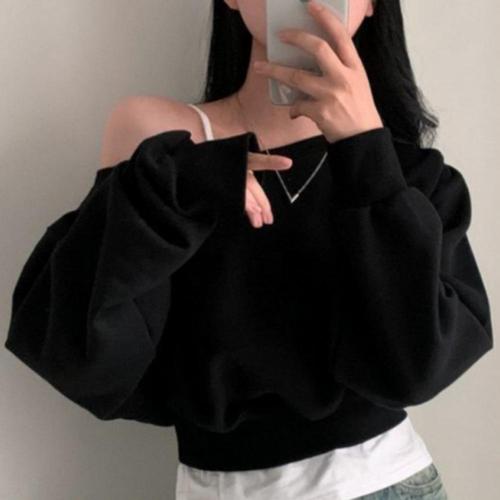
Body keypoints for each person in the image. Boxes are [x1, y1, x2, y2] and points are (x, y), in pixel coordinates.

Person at [5, 0, 493, 499]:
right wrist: (183, 188)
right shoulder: (161, 143)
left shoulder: (407, 178)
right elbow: (82, 354)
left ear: (370, 6)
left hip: (382, 481)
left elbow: (417, 370)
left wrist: (365, 148)